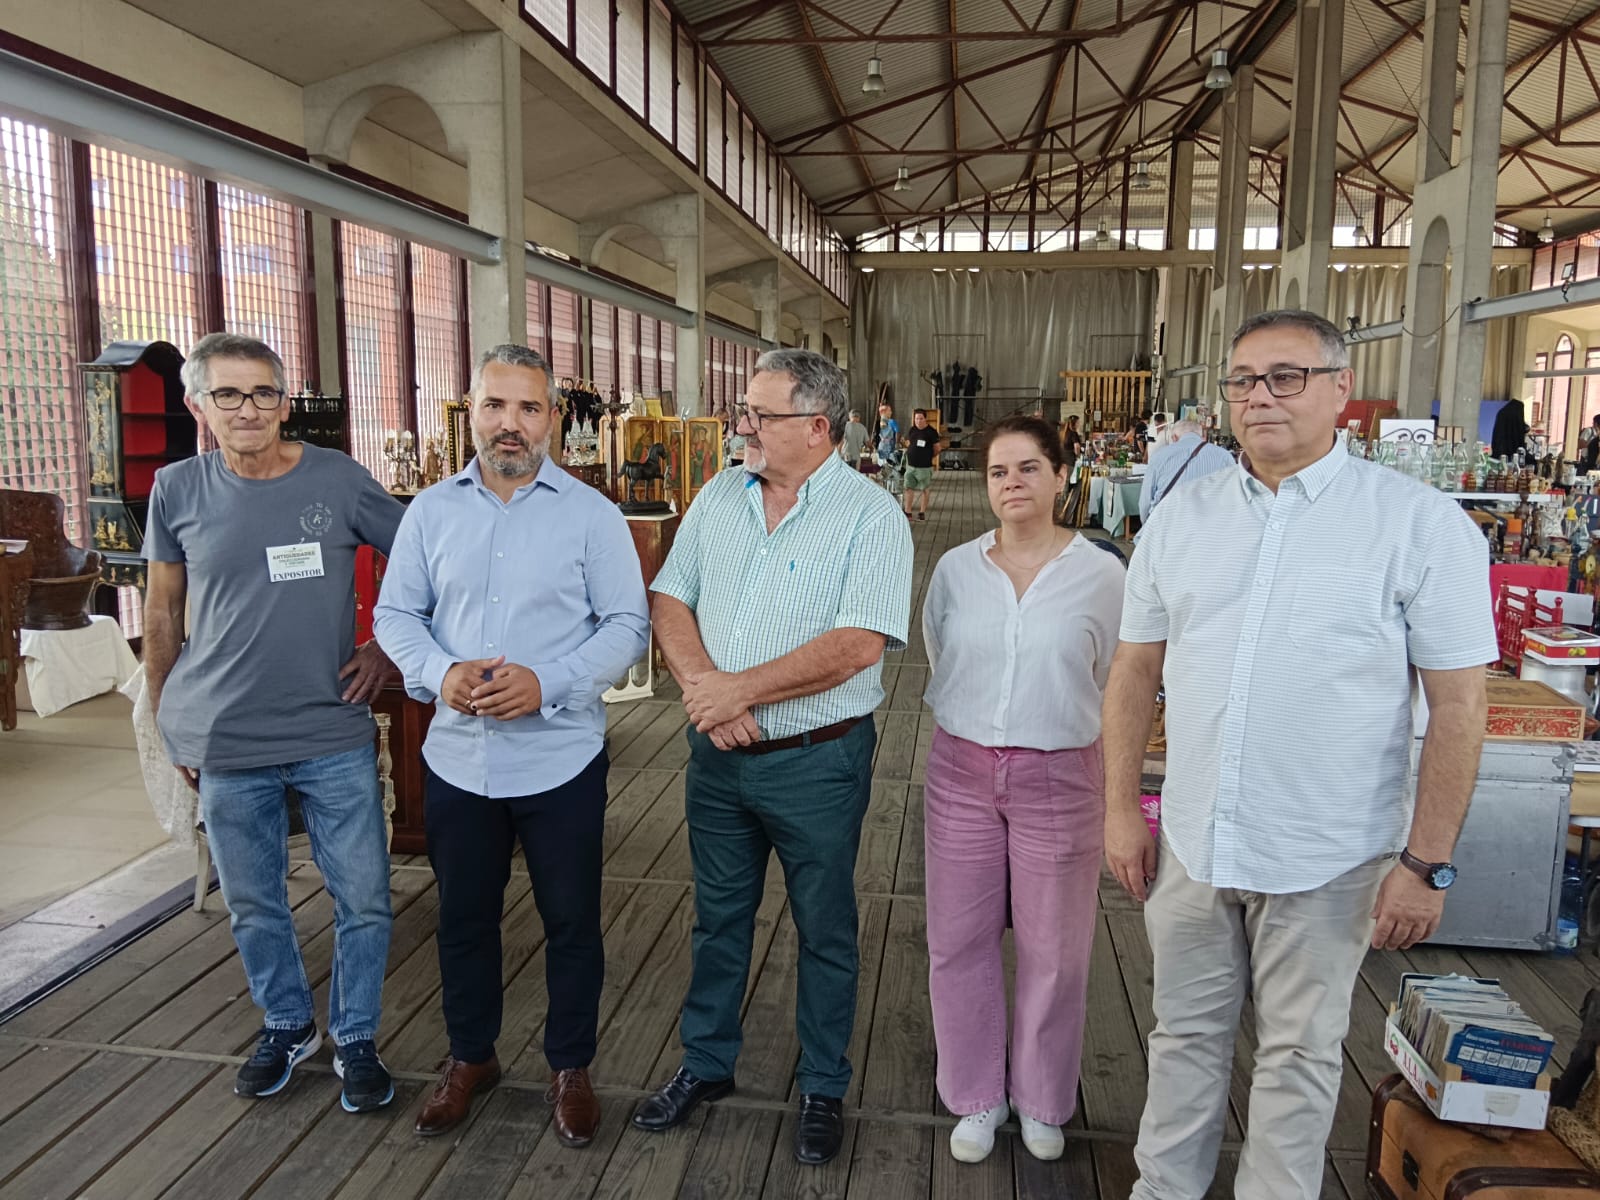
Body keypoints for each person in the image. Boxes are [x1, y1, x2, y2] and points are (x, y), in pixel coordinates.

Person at [1102, 309, 1495, 1200]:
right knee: (1182, 1035)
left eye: (1286, 376)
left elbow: (1460, 706)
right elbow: (1133, 673)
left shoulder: (1417, 526)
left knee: (1300, 1054)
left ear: (1339, 392)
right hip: (1197, 840)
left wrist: (1425, 862)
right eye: (1243, 380)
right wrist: (1121, 808)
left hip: (1331, 851)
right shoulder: (1181, 516)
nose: (1259, 397)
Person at [633, 349, 913, 1167]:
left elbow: (858, 644)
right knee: (718, 917)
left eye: (759, 415)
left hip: (816, 763)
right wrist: (703, 691)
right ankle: (706, 1062)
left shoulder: (871, 516)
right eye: (743, 412)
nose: (741, 426)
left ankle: (823, 1082)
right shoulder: (720, 494)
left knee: (824, 926)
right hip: (717, 757)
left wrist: (738, 692)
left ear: (817, 428)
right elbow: (669, 597)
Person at [373, 345, 649, 1144]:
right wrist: (437, 671)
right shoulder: (430, 511)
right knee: (463, 919)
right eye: (496, 406)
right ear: (472, 411)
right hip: (458, 759)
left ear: (553, 420)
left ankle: (570, 1066)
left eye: (529, 409)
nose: (511, 424)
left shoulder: (590, 514)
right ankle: (470, 1057)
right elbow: (398, 616)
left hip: (558, 757)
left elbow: (626, 625)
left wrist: (550, 680)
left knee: (571, 921)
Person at [143, 332, 403, 1113]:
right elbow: (161, 611)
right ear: (198, 407)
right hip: (226, 739)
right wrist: (167, 719)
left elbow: (431, 559)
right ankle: (288, 1023)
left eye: (262, 393)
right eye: (227, 394)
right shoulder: (176, 490)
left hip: (331, 732)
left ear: (285, 403)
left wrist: (388, 646)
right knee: (254, 900)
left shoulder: (340, 479)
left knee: (363, 899)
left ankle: (356, 1035)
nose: (247, 408)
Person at [921, 415, 1124, 1165]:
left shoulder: (1102, 573)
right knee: (957, 941)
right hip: (961, 771)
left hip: (1060, 773)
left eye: (1029, 467)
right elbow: (943, 653)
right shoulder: (955, 569)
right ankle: (976, 1096)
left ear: (1062, 475)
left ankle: (1042, 1100)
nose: (1012, 483)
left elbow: (1114, 676)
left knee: (1056, 949)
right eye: (999, 471)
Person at [1137, 419, 1237, 524]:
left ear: (1174, 438)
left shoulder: (1159, 455)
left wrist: (1147, 525)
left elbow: (1145, 501)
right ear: (1203, 437)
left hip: (1167, 524)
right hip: (1211, 526)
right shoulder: (1225, 456)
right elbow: (1233, 497)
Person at [903, 408, 942, 521]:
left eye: (920, 418)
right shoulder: (912, 430)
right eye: (916, 419)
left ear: (925, 419)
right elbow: (909, 442)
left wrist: (929, 456)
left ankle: (922, 512)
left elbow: (937, 448)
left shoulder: (931, 432)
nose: (918, 421)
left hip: (924, 467)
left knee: (924, 489)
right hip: (910, 466)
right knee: (908, 488)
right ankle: (908, 511)